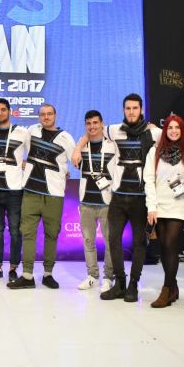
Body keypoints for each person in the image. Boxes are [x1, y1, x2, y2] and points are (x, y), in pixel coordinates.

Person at [95, 94, 162, 302]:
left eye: (135, 108)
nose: (131, 112)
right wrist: (79, 148)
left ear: (141, 110)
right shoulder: (114, 130)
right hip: (118, 198)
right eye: (128, 108)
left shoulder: (155, 133)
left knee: (139, 243)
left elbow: (179, 138)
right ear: (123, 110)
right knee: (113, 240)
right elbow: (92, 132)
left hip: (141, 199)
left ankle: (133, 285)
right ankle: (120, 284)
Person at [8, 104, 75, 290]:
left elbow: (77, 160)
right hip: (30, 192)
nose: (46, 117)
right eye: (43, 114)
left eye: (49, 114)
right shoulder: (31, 131)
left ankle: (48, 275)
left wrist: (65, 170)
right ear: (39, 117)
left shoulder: (66, 138)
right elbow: (11, 134)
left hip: (54, 195)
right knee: (28, 234)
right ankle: (27, 276)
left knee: (51, 235)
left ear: (55, 115)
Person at [144, 115, 184, 308]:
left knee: (171, 243)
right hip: (160, 203)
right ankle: (173, 287)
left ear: (182, 130)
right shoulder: (154, 151)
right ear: (165, 130)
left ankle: (166, 289)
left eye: (177, 128)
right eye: (170, 127)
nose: (173, 131)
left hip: (180, 203)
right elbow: (149, 180)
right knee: (164, 247)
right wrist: (151, 207)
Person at [0, 98, 30, 283]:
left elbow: (34, 151)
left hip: (14, 191)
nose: (0, 113)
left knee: (15, 231)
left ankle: (13, 269)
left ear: (9, 111)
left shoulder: (22, 132)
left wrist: (26, 164)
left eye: (3, 110)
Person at [74, 110, 117, 293]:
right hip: (86, 202)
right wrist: (78, 146)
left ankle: (108, 277)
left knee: (109, 242)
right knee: (88, 242)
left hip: (107, 202)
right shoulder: (81, 146)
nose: (92, 126)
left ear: (102, 124)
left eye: (95, 123)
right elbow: (74, 161)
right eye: (88, 123)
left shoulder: (112, 145)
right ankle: (92, 276)